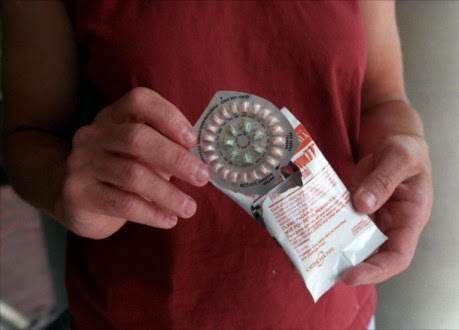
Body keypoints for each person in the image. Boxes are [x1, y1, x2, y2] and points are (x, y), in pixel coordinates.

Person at [2, 1, 433, 329]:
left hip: (338, 307)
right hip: (141, 312)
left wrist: (402, 149)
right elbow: (27, 137)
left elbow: (382, 98)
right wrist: (65, 187)